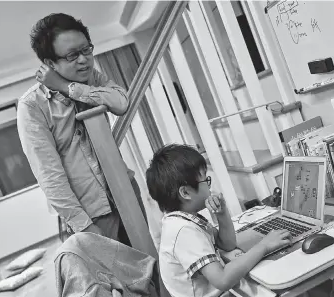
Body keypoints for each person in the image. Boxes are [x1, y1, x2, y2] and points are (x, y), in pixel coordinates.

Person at [17, 13, 146, 246]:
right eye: (72, 55)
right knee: (116, 281)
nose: (84, 60)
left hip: (125, 192)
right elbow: (49, 175)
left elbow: (121, 103)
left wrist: (67, 87)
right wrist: (83, 225)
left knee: (150, 265)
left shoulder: (93, 79)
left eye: (86, 50)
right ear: (49, 64)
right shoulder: (32, 106)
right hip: (91, 213)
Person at [146, 144, 291, 297]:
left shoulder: (186, 219)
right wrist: (264, 246)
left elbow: (227, 244)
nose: (210, 186)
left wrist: (222, 214)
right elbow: (222, 279)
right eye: (205, 180)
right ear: (186, 192)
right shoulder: (182, 231)